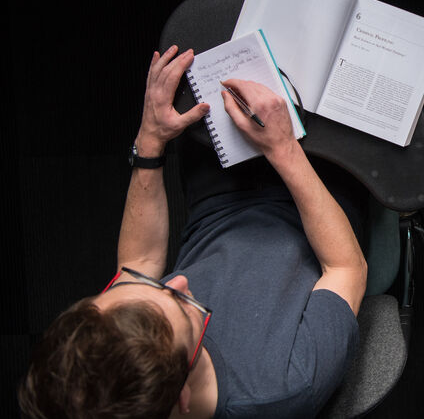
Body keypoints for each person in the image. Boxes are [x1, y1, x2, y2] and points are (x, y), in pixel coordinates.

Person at [18, 46, 368, 418]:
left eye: (151, 288)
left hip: (218, 202)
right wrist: (283, 149)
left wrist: (151, 140)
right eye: (186, 310)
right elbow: (346, 268)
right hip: (319, 205)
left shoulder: (111, 345)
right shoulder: (284, 387)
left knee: (220, 45)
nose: (179, 281)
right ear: (183, 399)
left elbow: (139, 263)